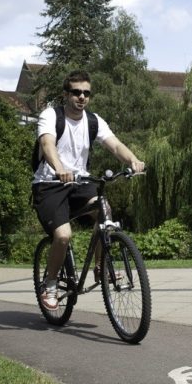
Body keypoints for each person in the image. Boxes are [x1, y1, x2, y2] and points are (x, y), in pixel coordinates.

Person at [32, 70, 145, 310]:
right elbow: (47, 143)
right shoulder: (51, 115)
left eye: (86, 93)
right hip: (50, 184)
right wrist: (60, 168)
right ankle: (50, 284)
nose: (81, 97)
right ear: (66, 94)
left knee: (105, 210)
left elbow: (114, 145)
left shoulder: (93, 120)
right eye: (76, 92)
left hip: (79, 182)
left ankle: (100, 268)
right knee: (63, 236)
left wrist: (133, 160)